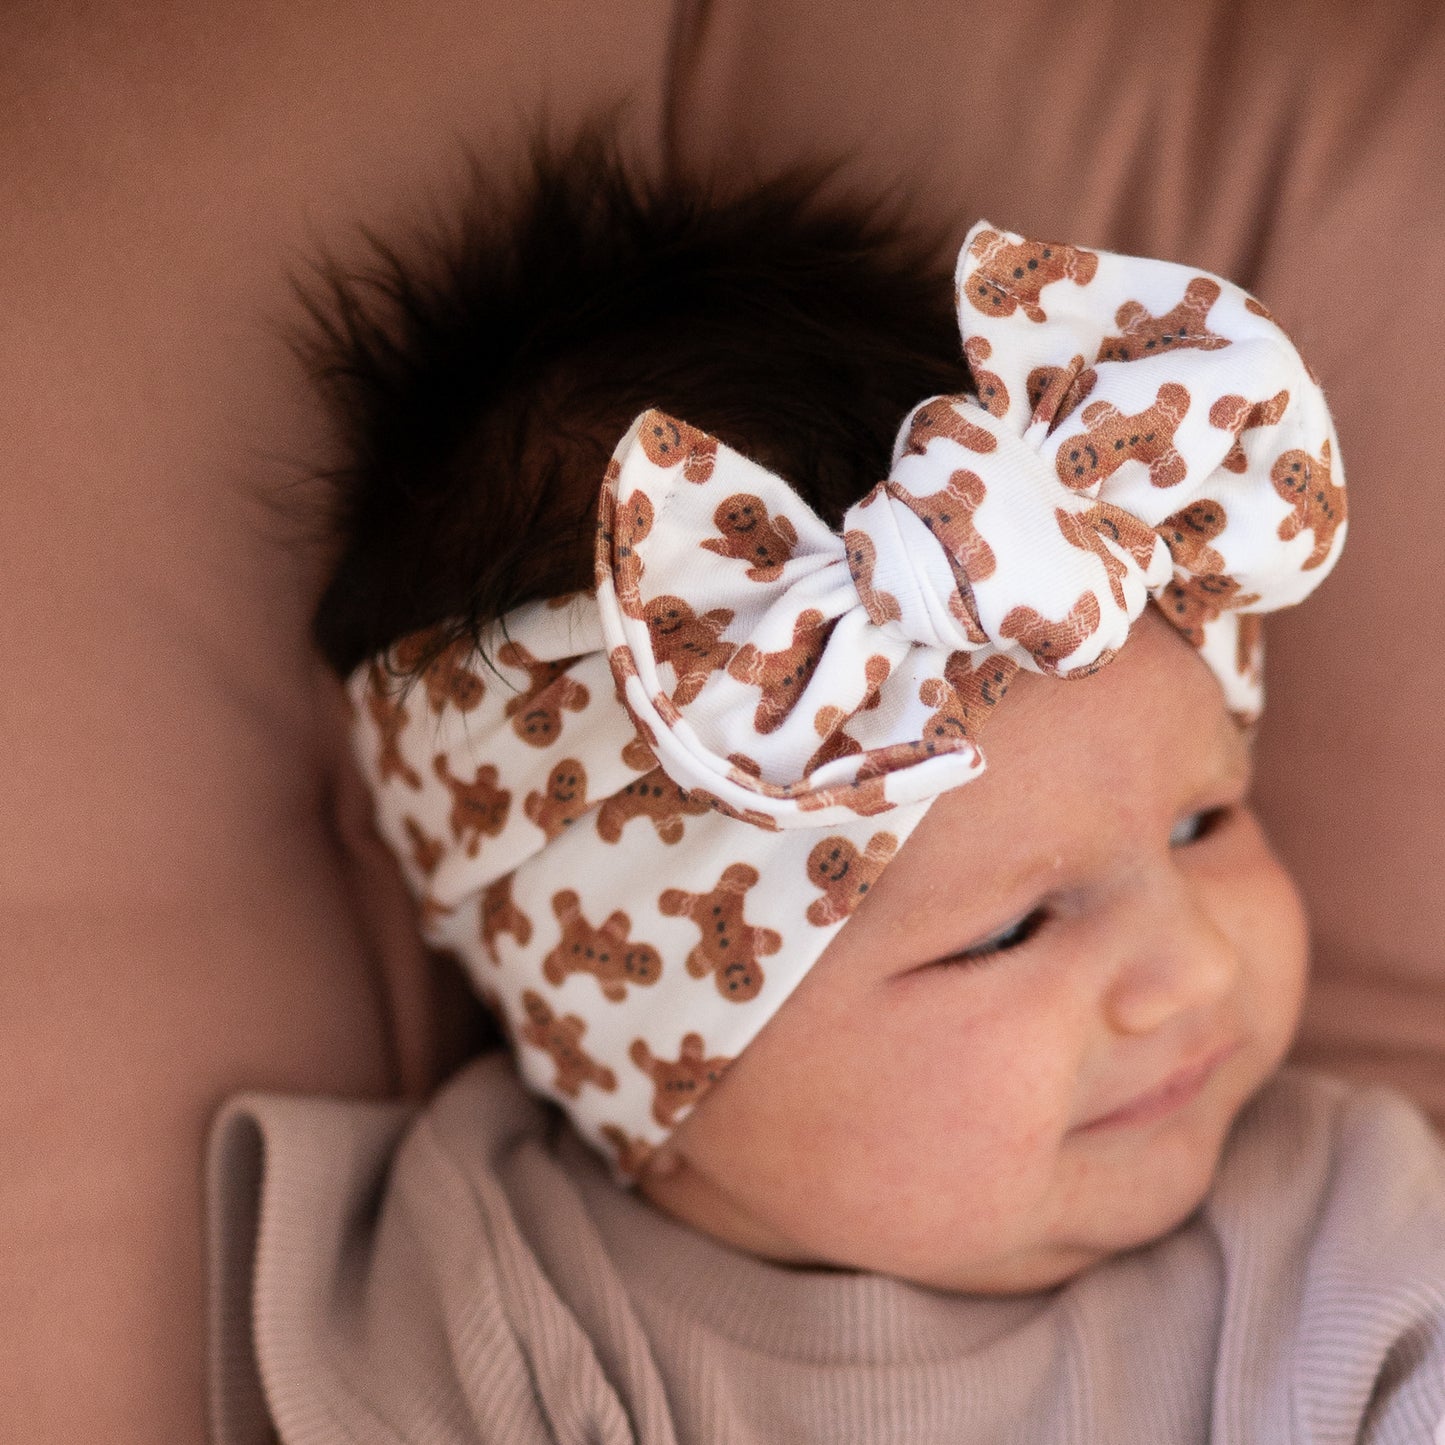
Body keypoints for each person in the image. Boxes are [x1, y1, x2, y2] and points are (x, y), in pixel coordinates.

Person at [207, 132, 1445, 1442]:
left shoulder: (1344, 1233)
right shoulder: (496, 1301)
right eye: (1010, 930)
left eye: (1204, 821)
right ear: (646, 1047)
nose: (1193, 968)